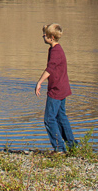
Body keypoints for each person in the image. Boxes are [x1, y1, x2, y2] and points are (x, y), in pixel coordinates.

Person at [35, 22, 76, 153]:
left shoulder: (56, 51)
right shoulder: (55, 49)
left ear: (51, 37)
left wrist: (39, 82)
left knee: (49, 119)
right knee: (61, 116)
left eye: (45, 35)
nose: (43, 36)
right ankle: (72, 145)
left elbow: (50, 69)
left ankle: (59, 148)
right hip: (62, 87)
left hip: (57, 90)